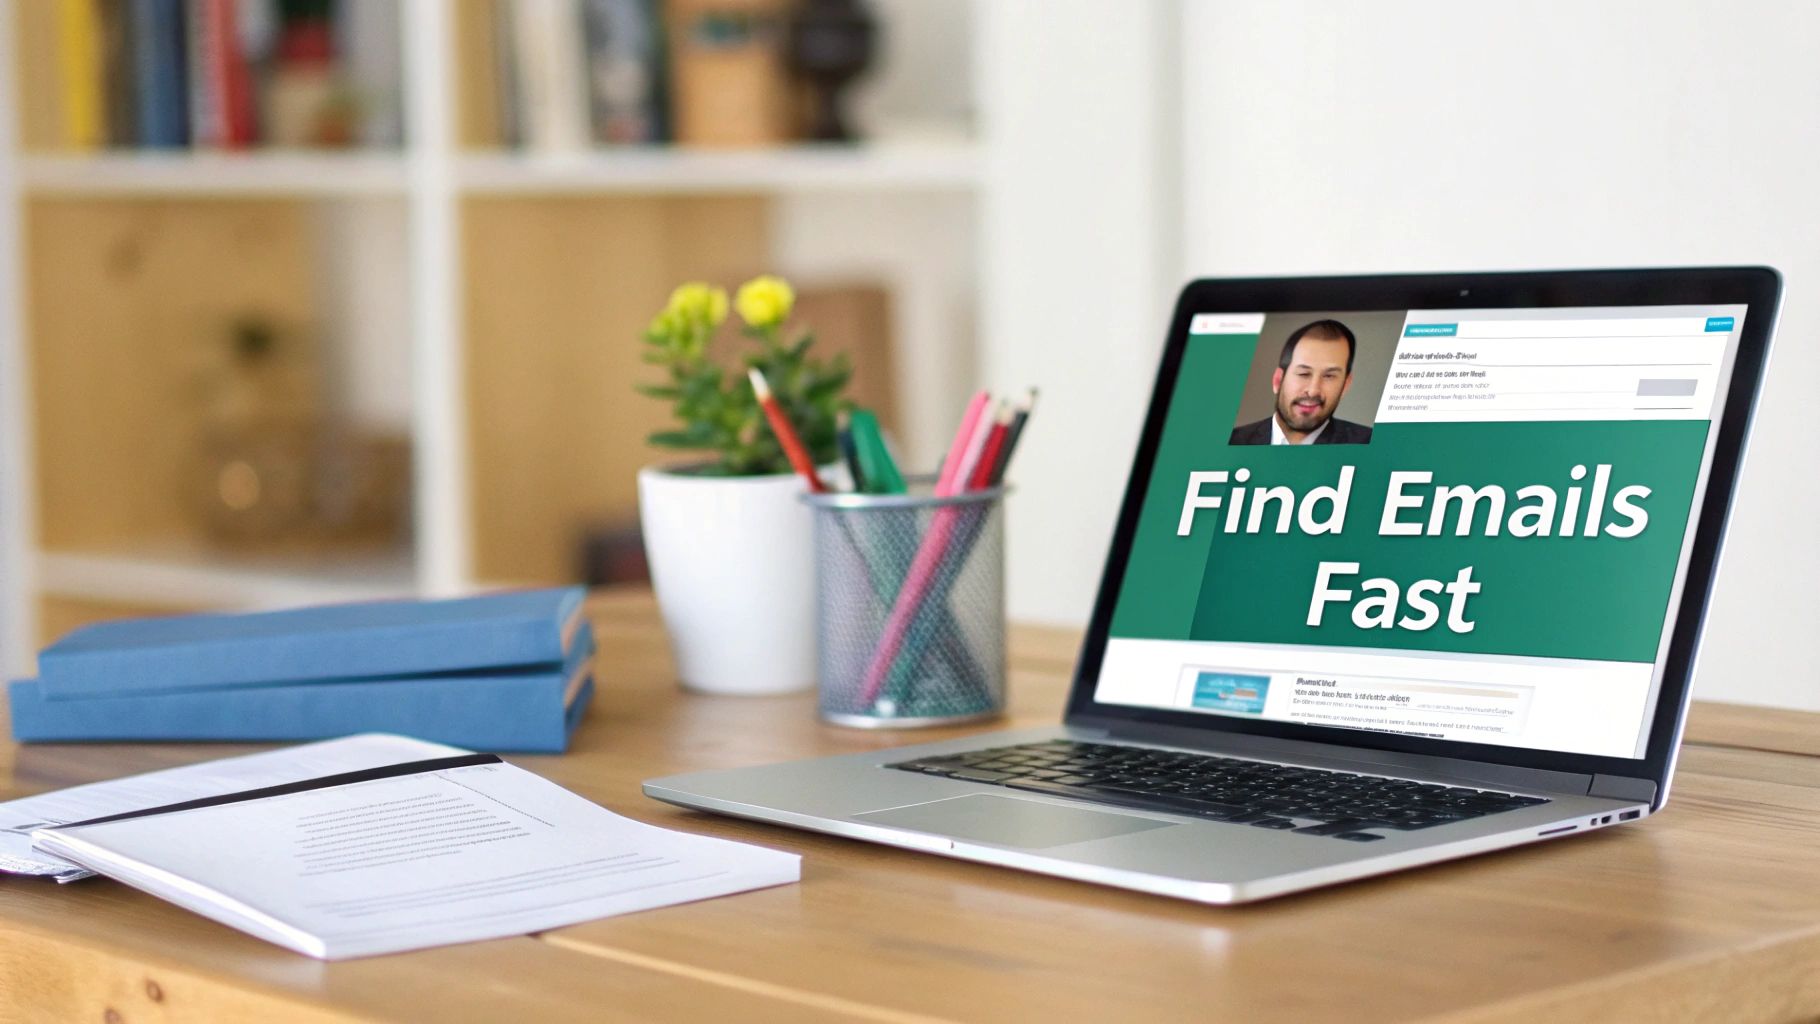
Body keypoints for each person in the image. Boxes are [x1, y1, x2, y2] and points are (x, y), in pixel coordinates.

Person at [1230, 319, 1373, 445]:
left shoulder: (1369, 443)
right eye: (1304, 374)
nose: (1313, 390)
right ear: (1278, 380)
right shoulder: (1234, 441)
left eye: (1329, 376)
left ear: (1345, 385)